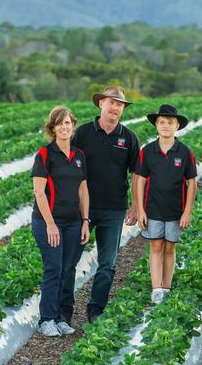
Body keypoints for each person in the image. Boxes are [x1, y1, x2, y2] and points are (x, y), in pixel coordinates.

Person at [73, 85, 140, 322]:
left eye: (120, 104)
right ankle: (63, 311)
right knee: (70, 259)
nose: (115, 108)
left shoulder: (129, 137)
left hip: (114, 208)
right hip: (83, 209)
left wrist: (135, 206)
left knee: (108, 264)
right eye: (111, 102)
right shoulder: (82, 133)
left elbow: (136, 174)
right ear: (101, 103)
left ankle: (95, 310)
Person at [32, 106, 90, 336]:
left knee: (68, 269)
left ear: (73, 126)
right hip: (48, 223)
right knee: (54, 268)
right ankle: (46, 319)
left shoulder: (79, 156)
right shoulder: (44, 155)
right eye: (60, 123)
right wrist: (50, 224)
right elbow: (39, 192)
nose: (64, 127)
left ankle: (62, 317)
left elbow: (83, 191)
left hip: (74, 222)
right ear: (53, 128)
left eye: (68, 123)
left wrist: (85, 220)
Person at [135, 104, 197, 304]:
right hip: (152, 208)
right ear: (156, 125)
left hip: (175, 210)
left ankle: (167, 286)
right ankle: (156, 289)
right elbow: (140, 180)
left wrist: (187, 211)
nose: (166, 126)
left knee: (170, 248)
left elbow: (192, 182)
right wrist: (140, 210)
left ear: (177, 125)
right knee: (155, 246)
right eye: (162, 122)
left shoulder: (185, 152)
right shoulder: (148, 151)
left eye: (170, 122)